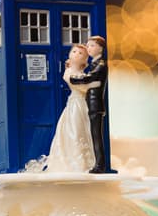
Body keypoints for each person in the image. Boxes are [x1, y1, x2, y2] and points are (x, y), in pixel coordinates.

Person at [46, 44, 96, 172]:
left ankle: (86, 161)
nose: (76, 54)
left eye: (80, 53)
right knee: (74, 130)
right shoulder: (69, 73)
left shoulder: (83, 74)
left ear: (85, 59)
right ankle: (76, 160)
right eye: (74, 51)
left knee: (85, 130)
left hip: (84, 105)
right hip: (75, 105)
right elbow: (83, 86)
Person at [70, 35, 110, 173]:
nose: (89, 48)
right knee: (93, 135)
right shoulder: (94, 63)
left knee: (96, 136)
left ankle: (100, 165)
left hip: (95, 104)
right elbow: (92, 81)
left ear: (101, 48)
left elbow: (90, 78)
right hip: (91, 103)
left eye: (92, 45)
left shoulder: (101, 64)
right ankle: (97, 163)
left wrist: (75, 79)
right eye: (87, 46)